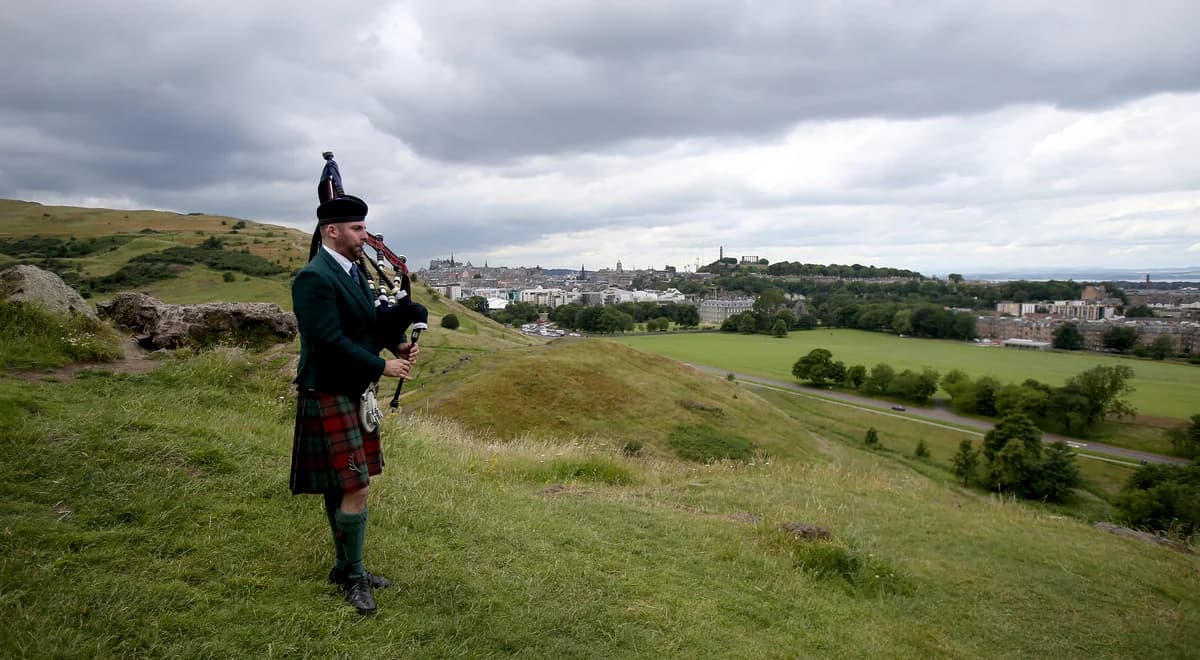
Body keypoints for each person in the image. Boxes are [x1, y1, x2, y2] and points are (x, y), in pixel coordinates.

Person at [289, 194, 417, 615]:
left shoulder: (352, 271)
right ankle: (355, 575)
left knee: (342, 485)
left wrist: (393, 342)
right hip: (328, 388)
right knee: (355, 485)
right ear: (333, 230)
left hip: (352, 388)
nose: (367, 235)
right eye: (358, 229)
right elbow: (328, 339)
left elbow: (363, 325)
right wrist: (384, 367)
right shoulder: (314, 278)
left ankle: (345, 568)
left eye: (364, 227)